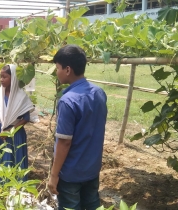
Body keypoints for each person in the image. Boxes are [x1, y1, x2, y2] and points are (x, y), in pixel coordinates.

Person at [47, 45, 108, 210]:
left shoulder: (68, 101)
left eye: (57, 67)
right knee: (92, 206)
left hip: (71, 174)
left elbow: (64, 142)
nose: (56, 71)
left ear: (67, 70)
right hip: (92, 169)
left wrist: (53, 175)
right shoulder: (99, 93)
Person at [0, 64, 34, 184]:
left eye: (5, 77)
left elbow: (26, 118)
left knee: (16, 159)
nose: (1, 80)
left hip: (16, 134)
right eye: (0, 77)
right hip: (1, 132)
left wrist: (10, 131)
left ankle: (16, 189)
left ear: (13, 78)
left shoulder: (21, 97)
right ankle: (0, 186)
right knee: (1, 159)